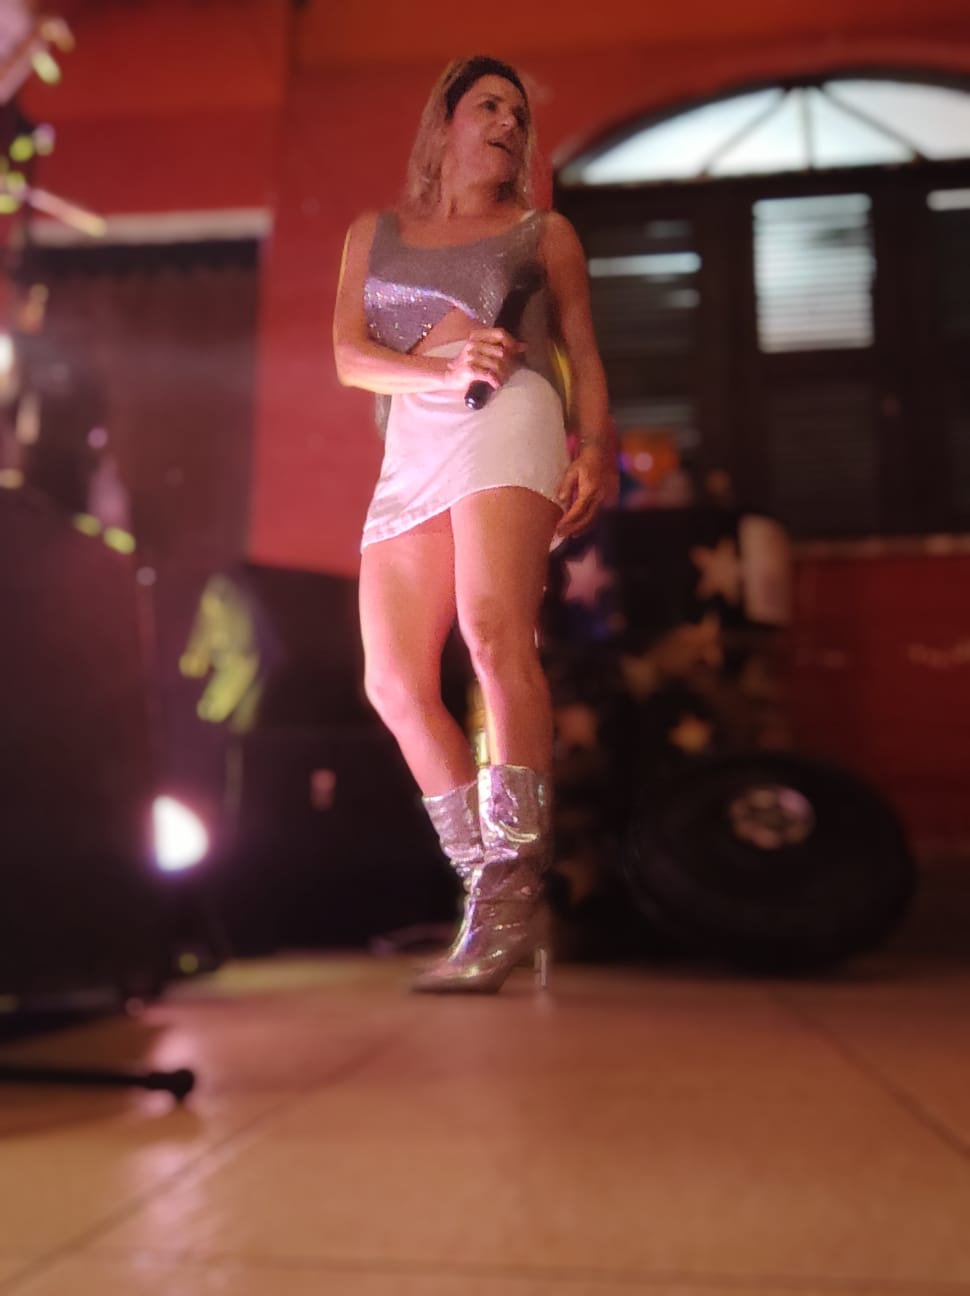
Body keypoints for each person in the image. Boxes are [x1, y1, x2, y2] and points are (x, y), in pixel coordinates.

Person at [333, 54, 613, 992]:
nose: (506, 123)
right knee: (392, 681)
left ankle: (509, 903)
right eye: (488, 105)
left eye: (518, 114)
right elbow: (349, 357)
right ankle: (489, 890)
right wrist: (439, 372)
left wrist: (596, 447)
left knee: (493, 634)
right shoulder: (373, 233)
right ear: (444, 122)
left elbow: (581, 348)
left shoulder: (544, 232)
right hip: (415, 430)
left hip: (509, 408)